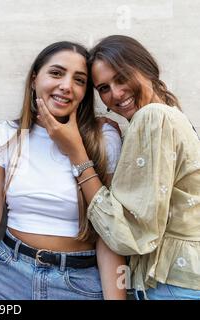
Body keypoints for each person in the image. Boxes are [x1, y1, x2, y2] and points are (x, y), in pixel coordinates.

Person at [0, 42, 126, 300]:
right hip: (7, 276)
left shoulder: (104, 138)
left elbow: (111, 233)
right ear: (35, 80)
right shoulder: (7, 135)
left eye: (79, 80)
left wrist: (75, 149)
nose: (66, 86)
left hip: (78, 282)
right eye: (57, 73)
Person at [37, 35, 200, 300]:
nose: (116, 94)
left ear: (146, 68)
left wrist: (76, 152)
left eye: (122, 78)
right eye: (103, 88)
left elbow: (125, 232)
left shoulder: (153, 117)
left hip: (172, 284)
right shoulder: (169, 114)